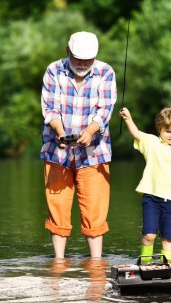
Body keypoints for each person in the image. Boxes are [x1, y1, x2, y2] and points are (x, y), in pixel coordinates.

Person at [40, 31, 117, 259]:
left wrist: (90, 131)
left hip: (95, 152)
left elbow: (105, 110)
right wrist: (62, 134)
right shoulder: (54, 70)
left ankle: (95, 263)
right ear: (68, 51)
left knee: (95, 210)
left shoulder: (106, 72)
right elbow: (50, 109)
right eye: (78, 58)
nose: (83, 64)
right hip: (56, 151)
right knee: (58, 208)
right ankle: (59, 261)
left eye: (88, 59)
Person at [120, 106, 171, 262]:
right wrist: (128, 118)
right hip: (151, 198)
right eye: (168, 131)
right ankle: (145, 263)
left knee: (168, 238)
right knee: (149, 235)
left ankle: (167, 266)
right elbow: (136, 133)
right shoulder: (152, 143)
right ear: (160, 128)